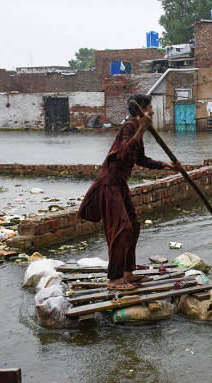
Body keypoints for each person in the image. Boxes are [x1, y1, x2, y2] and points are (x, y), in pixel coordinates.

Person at [78, 94, 181, 290]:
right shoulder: (130, 127)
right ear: (142, 110)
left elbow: (140, 159)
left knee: (133, 225)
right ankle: (113, 280)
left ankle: (127, 272)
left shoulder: (136, 129)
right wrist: (141, 128)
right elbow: (123, 154)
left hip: (120, 183)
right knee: (122, 227)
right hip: (110, 182)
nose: (152, 112)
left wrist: (166, 165)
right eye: (150, 108)